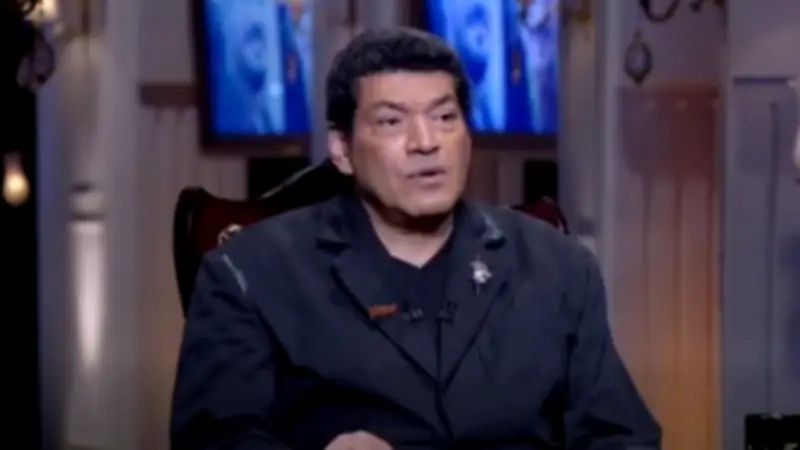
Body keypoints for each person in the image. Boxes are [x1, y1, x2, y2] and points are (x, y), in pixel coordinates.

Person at [171, 27, 662, 449]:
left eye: (445, 117)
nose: (426, 142)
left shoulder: (559, 266)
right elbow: (214, 439)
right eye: (392, 122)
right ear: (341, 149)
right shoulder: (248, 274)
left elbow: (620, 434)